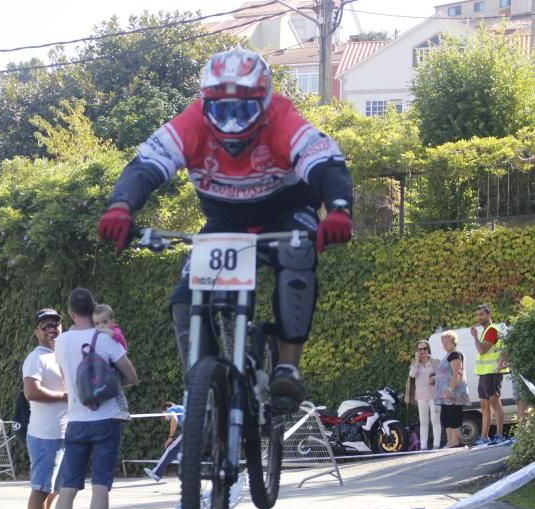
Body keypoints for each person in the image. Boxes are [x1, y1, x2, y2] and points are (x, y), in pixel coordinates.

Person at [97, 46, 354, 408]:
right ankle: (204, 386)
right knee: (184, 297)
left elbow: (326, 163)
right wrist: (121, 207)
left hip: (287, 212)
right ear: (205, 104)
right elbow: (144, 167)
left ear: (264, 103)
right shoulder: (191, 122)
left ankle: (287, 369)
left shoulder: (284, 119)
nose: (232, 122)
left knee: (297, 255)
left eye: (244, 109)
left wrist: (339, 210)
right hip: (226, 221)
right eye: (221, 110)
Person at [50, 287, 138, 509]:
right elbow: (132, 376)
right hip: (107, 419)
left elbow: (67, 380)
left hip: (76, 420)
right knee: (100, 486)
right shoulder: (106, 338)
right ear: (94, 309)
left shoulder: (61, 342)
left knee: (68, 488)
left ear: (71, 313)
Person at [21, 307, 68, 509]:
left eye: (56, 323)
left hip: (63, 434)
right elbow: (31, 392)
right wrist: (65, 397)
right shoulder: (36, 358)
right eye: (46, 325)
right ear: (36, 332)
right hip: (44, 436)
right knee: (41, 489)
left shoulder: (62, 355)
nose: (52, 328)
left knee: (53, 490)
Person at [470, 304, 507, 446]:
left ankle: (499, 434)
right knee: (484, 405)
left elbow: (482, 350)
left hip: (493, 372)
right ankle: (484, 436)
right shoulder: (485, 331)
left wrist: (474, 337)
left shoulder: (492, 330)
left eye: (482, 314)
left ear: (489, 315)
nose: (479, 317)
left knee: (494, 403)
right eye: (478, 315)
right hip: (484, 373)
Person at [92, 303, 130, 420]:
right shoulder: (98, 334)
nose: (101, 326)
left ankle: (124, 410)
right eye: (97, 323)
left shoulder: (115, 330)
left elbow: (119, 338)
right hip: (108, 366)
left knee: (118, 388)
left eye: (104, 322)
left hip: (117, 365)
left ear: (112, 321)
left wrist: (109, 332)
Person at [434, 331, 468, 448]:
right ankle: (449, 442)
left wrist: (450, 389)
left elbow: (456, 373)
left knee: (453, 416)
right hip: (444, 395)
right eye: (443, 342)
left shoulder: (455, 354)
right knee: (445, 418)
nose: (444, 345)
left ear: (454, 342)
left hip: (453, 393)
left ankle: (454, 442)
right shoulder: (447, 355)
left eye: (447, 342)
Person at [407, 340, 441, 450]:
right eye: (420, 349)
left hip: (435, 395)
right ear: (417, 351)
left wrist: (435, 378)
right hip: (421, 396)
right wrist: (417, 361)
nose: (422, 351)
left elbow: (443, 376)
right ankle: (424, 447)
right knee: (423, 422)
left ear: (428, 349)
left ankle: (436, 445)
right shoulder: (415, 364)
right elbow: (412, 375)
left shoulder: (435, 362)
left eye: (424, 348)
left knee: (435, 420)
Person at [143, 401, 185, 482]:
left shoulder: (171, 409)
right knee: (178, 452)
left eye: (162, 414)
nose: (163, 417)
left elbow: (174, 419)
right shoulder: (180, 409)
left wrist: (170, 437)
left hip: (190, 431)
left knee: (171, 449)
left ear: (166, 409)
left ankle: (156, 472)